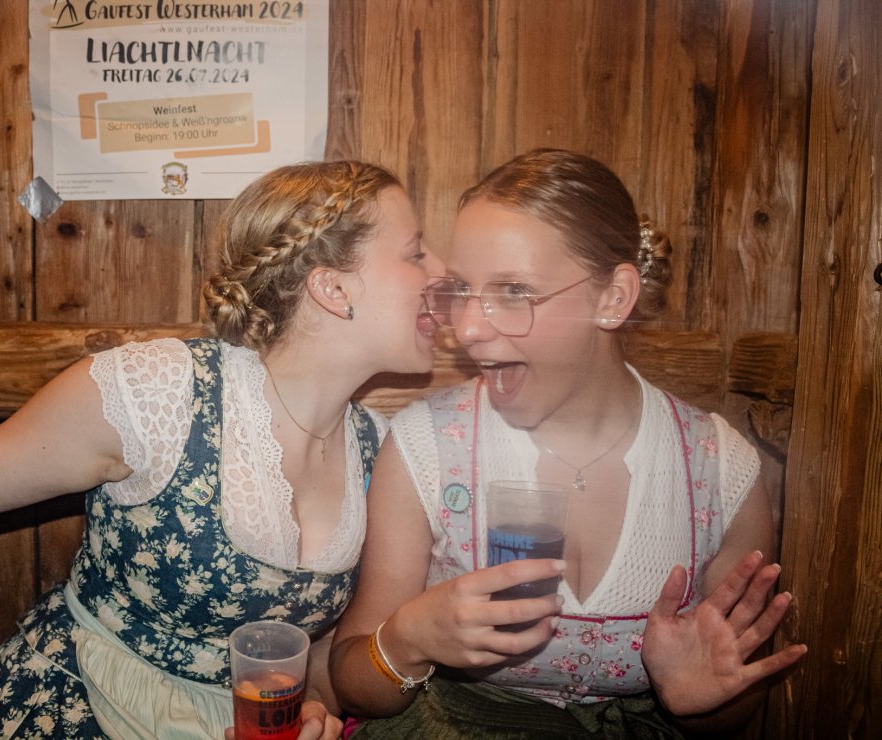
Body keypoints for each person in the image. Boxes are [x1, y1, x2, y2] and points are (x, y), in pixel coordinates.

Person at [0, 160, 443, 739]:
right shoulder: (163, 394)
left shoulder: (376, 448)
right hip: (81, 708)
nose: (439, 271)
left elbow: (317, 659)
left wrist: (313, 709)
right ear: (332, 288)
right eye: (416, 253)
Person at [328, 148, 807, 738]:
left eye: (513, 291)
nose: (469, 328)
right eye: (463, 290)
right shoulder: (427, 447)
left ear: (613, 298)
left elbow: (734, 711)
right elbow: (353, 680)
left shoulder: (719, 473)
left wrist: (699, 701)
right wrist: (408, 639)